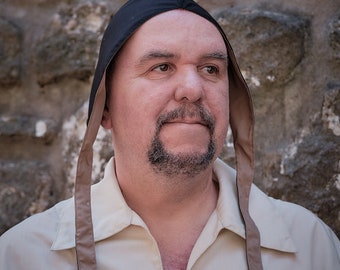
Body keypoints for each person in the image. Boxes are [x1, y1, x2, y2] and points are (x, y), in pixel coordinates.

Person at [0, 0, 339, 269]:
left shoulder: (310, 247)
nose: (192, 89)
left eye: (211, 69)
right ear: (105, 109)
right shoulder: (25, 256)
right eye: (161, 67)